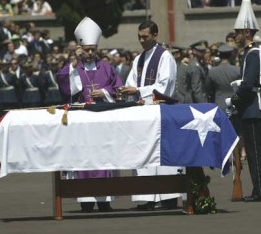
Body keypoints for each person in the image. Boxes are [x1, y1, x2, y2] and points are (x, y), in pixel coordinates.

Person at [56, 17, 122, 213]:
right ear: (80, 49)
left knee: (104, 158)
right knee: (84, 158)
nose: (90, 53)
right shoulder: (75, 66)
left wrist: (105, 93)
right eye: (87, 50)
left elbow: (119, 87)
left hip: (103, 122)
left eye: (93, 49)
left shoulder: (107, 67)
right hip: (82, 122)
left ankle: (104, 200)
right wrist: (74, 63)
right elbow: (65, 85)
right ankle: (86, 200)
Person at [120, 20, 181, 210]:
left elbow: (166, 85)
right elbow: (131, 82)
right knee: (144, 154)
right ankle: (147, 197)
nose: (141, 40)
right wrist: (126, 91)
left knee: (163, 156)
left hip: (161, 113)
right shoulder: (138, 59)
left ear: (155, 35)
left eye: (145, 36)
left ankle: (168, 197)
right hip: (143, 114)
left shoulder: (165, 57)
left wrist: (138, 91)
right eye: (139, 36)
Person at [226, 0, 261, 202]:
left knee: (255, 151)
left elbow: (247, 85)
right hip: (252, 106)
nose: (235, 35)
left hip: (252, 106)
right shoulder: (249, 53)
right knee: (256, 150)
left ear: (247, 32)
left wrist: (234, 101)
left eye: (238, 31)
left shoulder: (252, 54)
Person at [206, 44, 240, 111]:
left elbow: (208, 88)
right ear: (230, 55)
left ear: (219, 55)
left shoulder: (212, 71)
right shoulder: (237, 70)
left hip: (219, 103)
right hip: (234, 103)